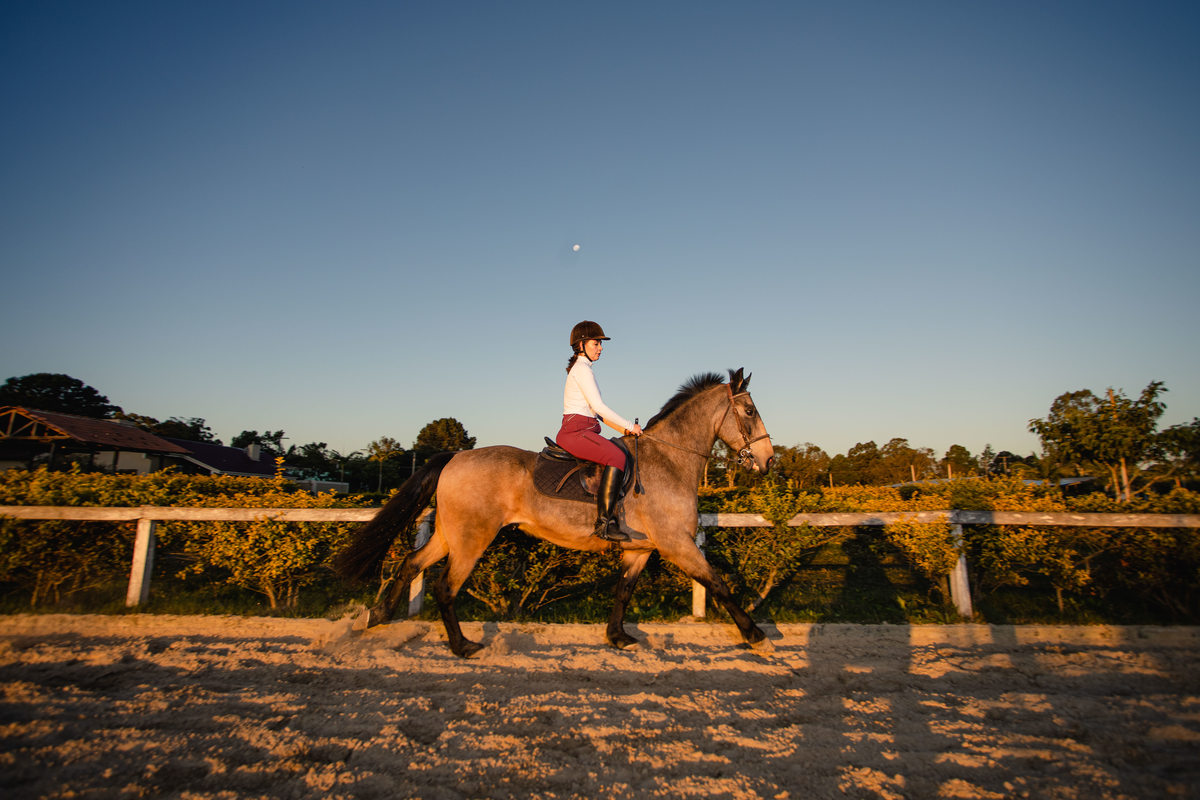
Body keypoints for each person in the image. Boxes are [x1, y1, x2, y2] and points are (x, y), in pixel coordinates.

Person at [556, 320, 643, 542]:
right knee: (616, 456)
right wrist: (629, 425)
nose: (601, 348)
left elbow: (601, 416)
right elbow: (599, 408)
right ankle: (604, 524)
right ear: (582, 344)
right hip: (575, 433)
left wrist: (627, 431)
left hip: (586, 430)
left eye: (600, 344)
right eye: (596, 343)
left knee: (619, 449)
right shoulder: (582, 369)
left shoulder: (584, 369)